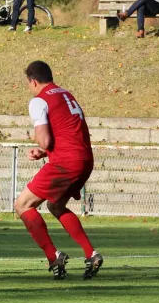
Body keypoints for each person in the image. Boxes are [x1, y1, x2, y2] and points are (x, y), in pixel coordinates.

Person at [13, 61, 103, 280]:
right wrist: (45, 154)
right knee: (55, 205)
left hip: (65, 162)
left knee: (22, 205)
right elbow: (67, 134)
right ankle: (91, 254)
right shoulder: (66, 94)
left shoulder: (39, 100)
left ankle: (54, 257)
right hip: (84, 159)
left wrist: (41, 145)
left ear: (33, 81)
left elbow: (44, 140)